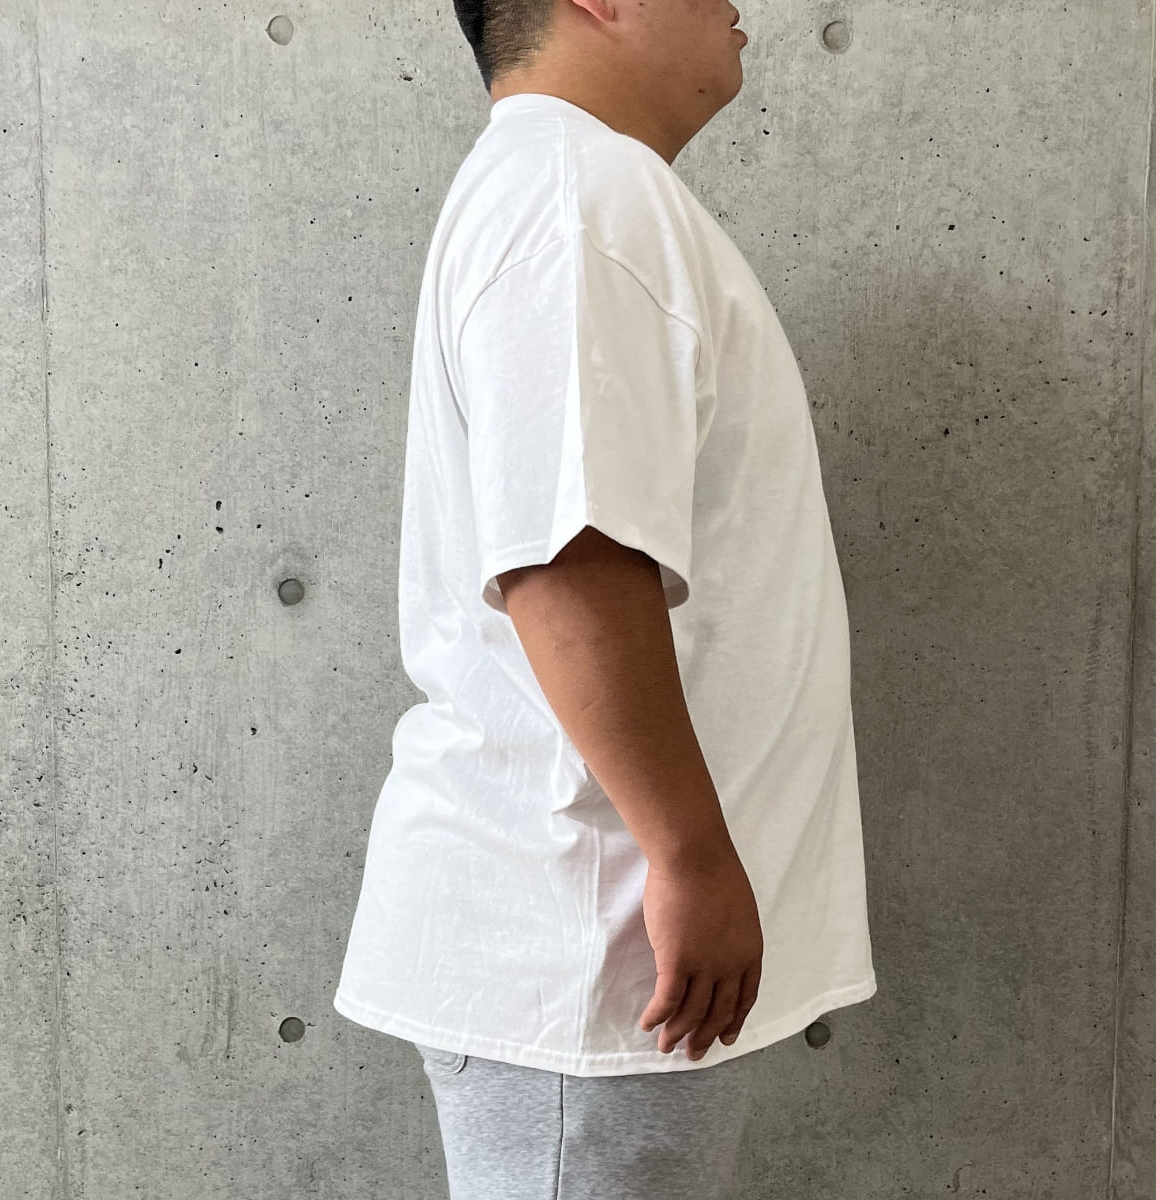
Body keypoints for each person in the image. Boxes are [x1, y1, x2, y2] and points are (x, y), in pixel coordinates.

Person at [332, 1, 877, 1196]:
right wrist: (688, 854)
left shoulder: (580, 190)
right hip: (593, 937)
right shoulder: (573, 196)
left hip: (610, 936)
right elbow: (565, 558)